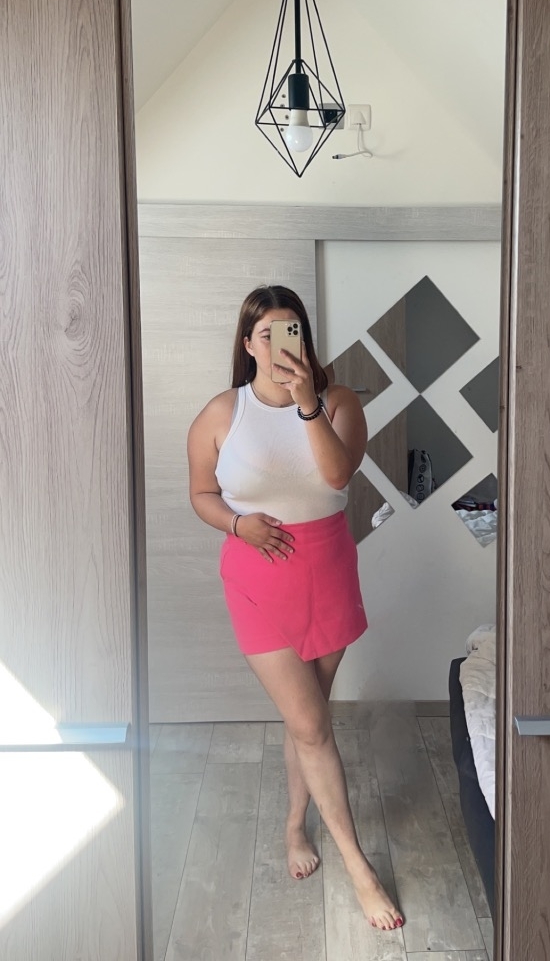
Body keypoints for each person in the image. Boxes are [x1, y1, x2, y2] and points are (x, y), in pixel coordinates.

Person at [187, 284, 404, 932]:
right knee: (310, 723)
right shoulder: (222, 412)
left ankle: (293, 824)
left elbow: (337, 476)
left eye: (294, 331)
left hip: (327, 572)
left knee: (306, 718)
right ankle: (358, 867)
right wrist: (237, 525)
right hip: (257, 576)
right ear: (248, 344)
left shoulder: (338, 402)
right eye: (269, 334)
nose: (283, 344)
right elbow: (200, 492)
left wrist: (309, 403)